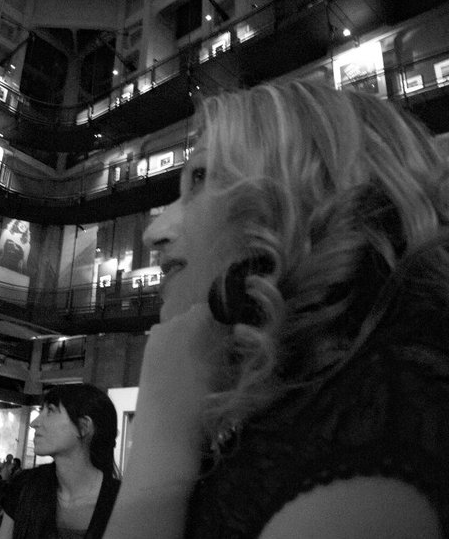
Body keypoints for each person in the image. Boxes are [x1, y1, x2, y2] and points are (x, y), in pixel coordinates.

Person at [103, 80, 449, 538]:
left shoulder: (380, 415)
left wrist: (159, 454)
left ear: (307, 193)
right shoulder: (322, 395)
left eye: (200, 178)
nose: (154, 233)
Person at [0, 384, 121, 539]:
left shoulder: (120, 501)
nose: (34, 423)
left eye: (50, 410)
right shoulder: (25, 486)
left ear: (83, 426)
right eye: (41, 411)